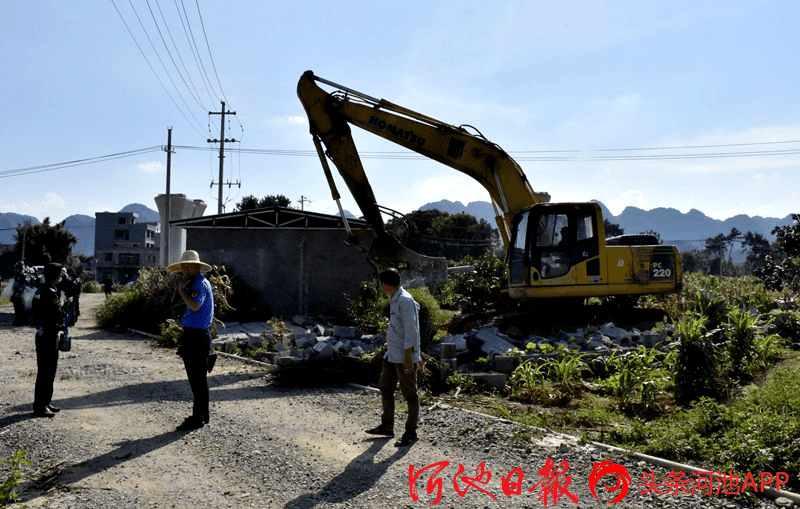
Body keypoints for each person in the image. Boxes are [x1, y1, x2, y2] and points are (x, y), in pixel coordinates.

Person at [365, 268, 421, 447]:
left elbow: (411, 331)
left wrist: (407, 359)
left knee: (410, 394)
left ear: (387, 284)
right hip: (393, 354)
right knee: (385, 386)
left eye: (381, 284)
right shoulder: (394, 299)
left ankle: (411, 432)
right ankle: (387, 425)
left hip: (404, 356)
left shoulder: (404, 300)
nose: (380, 287)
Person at [167, 250, 216, 431]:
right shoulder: (197, 282)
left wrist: (182, 292)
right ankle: (203, 414)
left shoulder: (199, 283)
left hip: (197, 336)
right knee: (198, 379)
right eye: (183, 266)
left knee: (197, 379)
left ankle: (198, 417)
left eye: (187, 266)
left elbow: (195, 305)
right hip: (195, 335)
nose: (184, 269)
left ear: (195, 267)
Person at [31, 262, 65, 418]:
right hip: (49, 336)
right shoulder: (51, 292)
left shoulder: (40, 290)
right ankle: (40, 406)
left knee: (47, 371)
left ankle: (46, 402)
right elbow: (55, 314)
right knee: (46, 371)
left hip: (43, 334)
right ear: (56, 275)